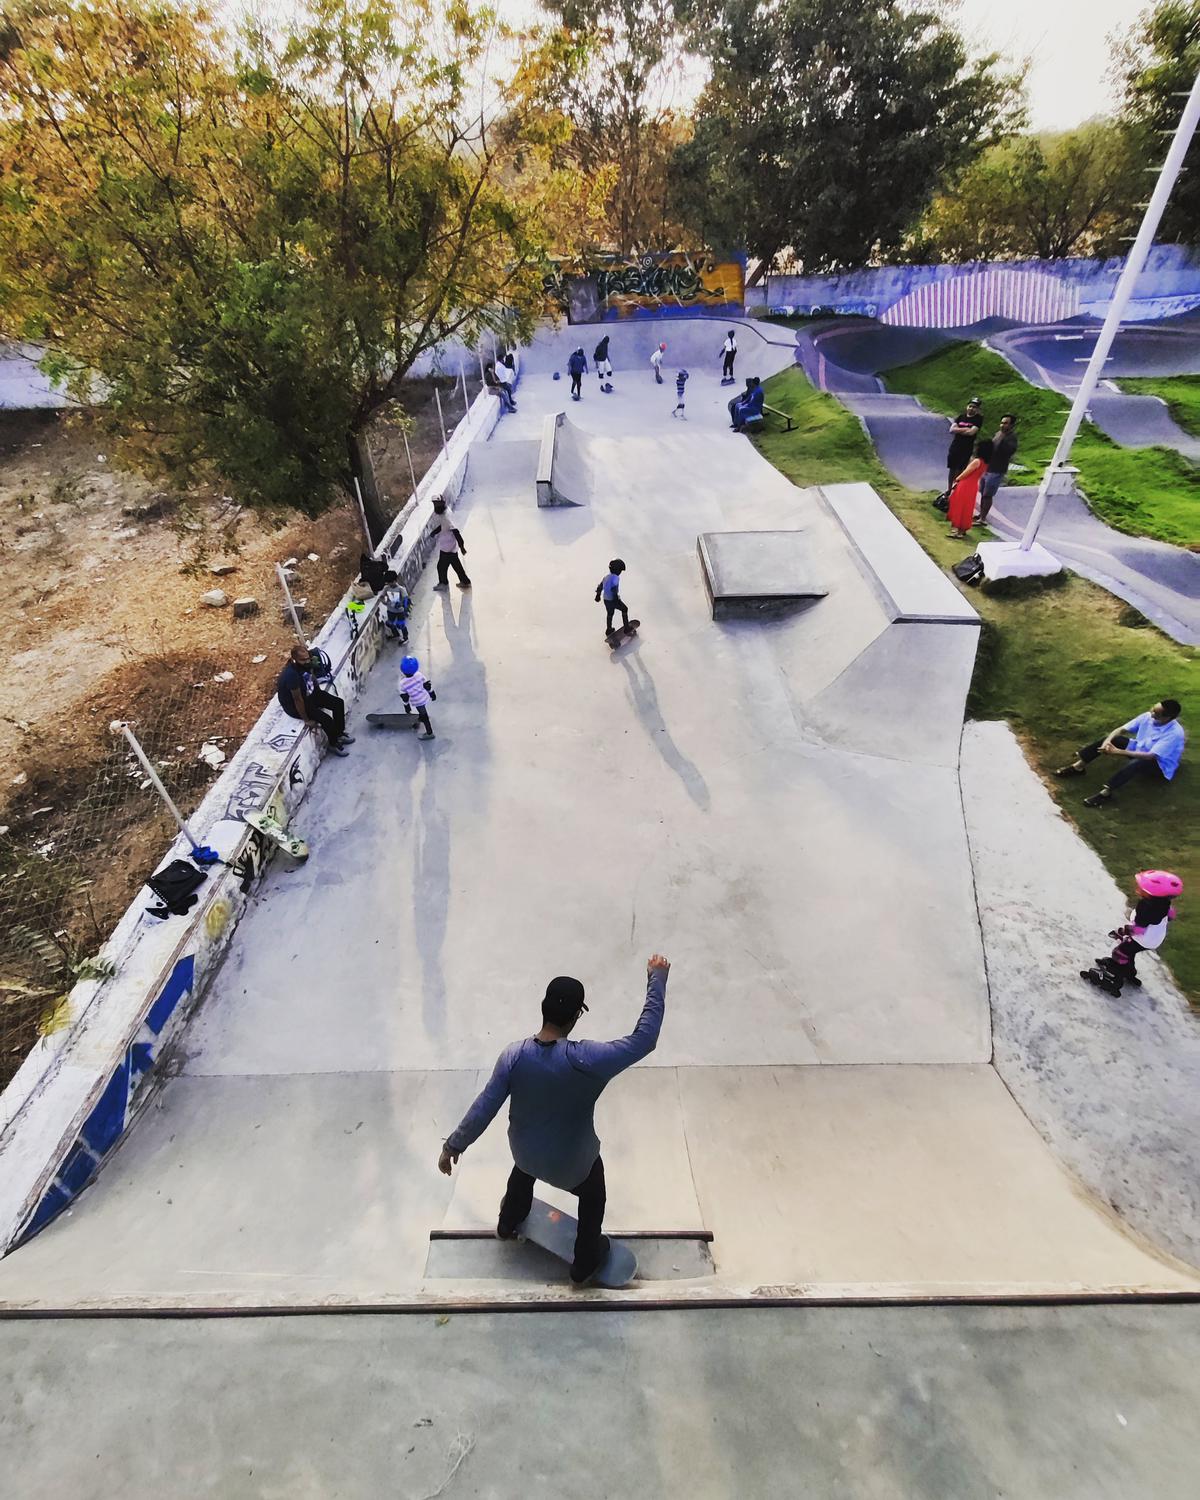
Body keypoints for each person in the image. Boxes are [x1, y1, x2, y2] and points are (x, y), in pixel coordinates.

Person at [438, 955, 671, 1284]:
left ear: (543, 1007)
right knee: (593, 1193)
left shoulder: (513, 1056)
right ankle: (585, 1261)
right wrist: (656, 978)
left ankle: (508, 1220)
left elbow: (484, 1107)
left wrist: (453, 1145)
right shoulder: (588, 1059)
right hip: (573, 1167)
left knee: (524, 1165)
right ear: (576, 1016)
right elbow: (644, 1039)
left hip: (525, 1154)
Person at [1055, 699, 1185, 808]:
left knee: (1138, 763)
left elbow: (1151, 756)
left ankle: (1106, 792)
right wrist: (1107, 742)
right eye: (1153, 709)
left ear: (1167, 718)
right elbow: (1121, 729)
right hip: (1140, 748)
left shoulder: (1174, 733)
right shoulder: (1147, 717)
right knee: (1115, 739)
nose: (1151, 713)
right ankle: (1078, 766)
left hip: (1159, 765)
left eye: (1156, 713)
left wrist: (1118, 752)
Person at [1081, 870, 1182, 996]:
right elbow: (1171, 914)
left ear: (1152, 892)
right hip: (1154, 938)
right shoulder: (1163, 903)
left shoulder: (1146, 908)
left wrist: (1122, 932)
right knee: (1129, 952)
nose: (1138, 888)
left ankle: (1113, 980)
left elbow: (1138, 929)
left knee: (1120, 952)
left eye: (1142, 887)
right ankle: (1129, 972)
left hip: (1143, 938)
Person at [275, 643, 353, 757]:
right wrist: (306, 719)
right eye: (302, 660)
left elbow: (311, 677)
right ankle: (333, 743)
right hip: (296, 704)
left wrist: (319, 692)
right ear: (294, 659)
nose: (306, 661)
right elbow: (297, 699)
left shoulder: (307, 663)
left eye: (307, 658)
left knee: (338, 703)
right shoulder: (292, 675)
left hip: (309, 693)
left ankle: (339, 733)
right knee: (326, 720)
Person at [946, 437, 993, 539]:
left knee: (959, 505)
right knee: (967, 507)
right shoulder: (985, 463)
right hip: (973, 485)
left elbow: (966, 473)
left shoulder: (977, 461)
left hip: (965, 484)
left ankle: (956, 530)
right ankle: (962, 530)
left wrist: (957, 479)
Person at [978, 414, 1017, 524]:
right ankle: (980, 514)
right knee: (982, 492)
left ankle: (983, 518)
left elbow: (1009, 451)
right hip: (988, 467)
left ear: (1012, 425)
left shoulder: (1011, 438)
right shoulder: (998, 434)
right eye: (1002, 422)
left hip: (997, 470)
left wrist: (1001, 443)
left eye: (1006, 423)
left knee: (988, 495)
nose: (1002, 425)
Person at [943, 397, 982, 498]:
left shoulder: (978, 419)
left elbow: (971, 432)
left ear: (977, 409)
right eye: (970, 406)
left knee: (960, 471)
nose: (971, 408)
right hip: (955, 446)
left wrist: (959, 429)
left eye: (974, 407)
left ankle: (955, 491)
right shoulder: (961, 417)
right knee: (952, 469)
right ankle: (948, 489)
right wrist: (966, 429)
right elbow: (951, 430)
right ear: (967, 407)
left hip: (966, 448)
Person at [431, 496, 471, 590]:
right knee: (456, 564)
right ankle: (465, 581)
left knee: (441, 567)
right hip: (449, 545)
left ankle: (443, 584)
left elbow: (456, 531)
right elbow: (443, 526)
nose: (435, 506)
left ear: (441, 503)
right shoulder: (444, 513)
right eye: (434, 504)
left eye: (437, 504)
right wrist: (434, 532)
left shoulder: (446, 517)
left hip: (448, 547)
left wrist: (462, 546)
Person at [398, 654, 436, 739]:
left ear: (402, 670)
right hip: (424, 697)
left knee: (424, 714)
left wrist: (407, 707)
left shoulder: (402, 683)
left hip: (417, 701)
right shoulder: (419, 675)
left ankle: (429, 733)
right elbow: (427, 686)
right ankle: (421, 717)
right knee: (422, 711)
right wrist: (432, 694)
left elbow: (405, 697)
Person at [595, 557, 629, 638]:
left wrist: (597, 595)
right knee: (624, 609)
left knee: (610, 613)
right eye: (620, 570)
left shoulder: (606, 577)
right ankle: (627, 628)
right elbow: (614, 589)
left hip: (606, 600)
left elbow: (600, 586)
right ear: (617, 570)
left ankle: (609, 629)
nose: (620, 572)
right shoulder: (616, 578)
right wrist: (616, 599)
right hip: (613, 599)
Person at [379, 579, 411, 644]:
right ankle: (395, 634)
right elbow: (381, 596)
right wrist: (384, 602)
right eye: (389, 583)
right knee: (389, 623)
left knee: (401, 624)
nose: (390, 584)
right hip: (390, 610)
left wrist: (401, 605)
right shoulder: (387, 588)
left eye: (391, 582)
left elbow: (406, 600)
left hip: (400, 611)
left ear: (395, 581)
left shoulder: (401, 589)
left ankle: (405, 638)